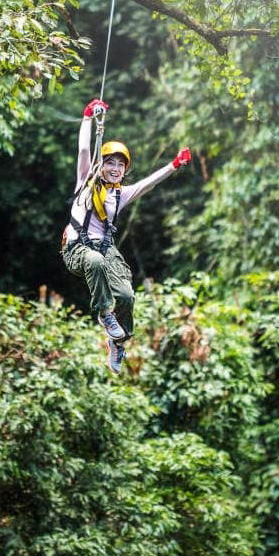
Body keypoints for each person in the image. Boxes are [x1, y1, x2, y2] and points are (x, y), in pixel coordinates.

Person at [61, 98, 191, 373]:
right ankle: (105, 315)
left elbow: (148, 184)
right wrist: (88, 117)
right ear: (102, 164)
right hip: (76, 250)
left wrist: (174, 165)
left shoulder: (120, 193)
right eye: (111, 163)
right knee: (94, 261)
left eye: (121, 165)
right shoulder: (85, 180)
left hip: (105, 250)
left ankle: (119, 342)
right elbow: (85, 149)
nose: (116, 168)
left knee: (127, 295)